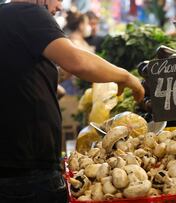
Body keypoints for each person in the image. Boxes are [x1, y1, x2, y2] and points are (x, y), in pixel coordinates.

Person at [0, 1, 144, 203]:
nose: (59, 6)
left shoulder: (7, 16)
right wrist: (126, 77)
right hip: (27, 174)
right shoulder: (29, 13)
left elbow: (17, 78)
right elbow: (79, 62)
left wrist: (55, 75)